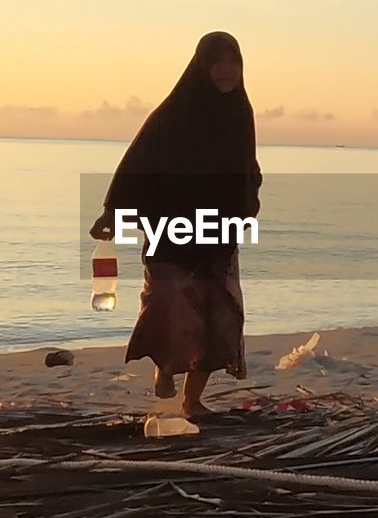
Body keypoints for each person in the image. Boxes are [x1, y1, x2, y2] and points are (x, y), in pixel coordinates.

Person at [89, 32, 261, 419]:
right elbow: (137, 162)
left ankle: (192, 400)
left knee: (216, 314)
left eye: (233, 62)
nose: (226, 71)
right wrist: (112, 212)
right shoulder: (174, 112)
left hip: (217, 230)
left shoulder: (239, 111)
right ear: (201, 66)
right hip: (171, 228)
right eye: (218, 62)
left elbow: (247, 167)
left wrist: (248, 204)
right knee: (171, 309)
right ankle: (165, 366)